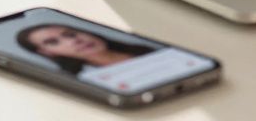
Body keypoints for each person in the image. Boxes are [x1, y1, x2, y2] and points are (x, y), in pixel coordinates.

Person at [16, 23, 156, 76]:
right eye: (53, 42)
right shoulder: (84, 78)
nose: (74, 41)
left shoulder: (146, 49)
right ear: (46, 52)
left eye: (71, 34)